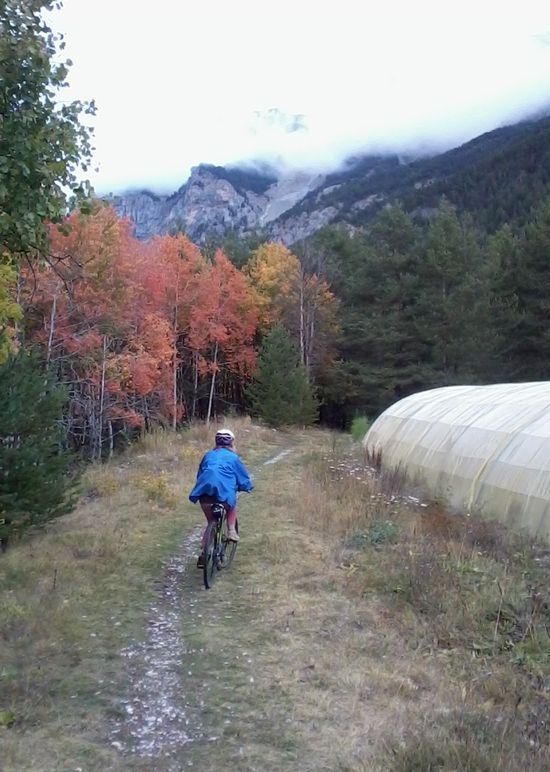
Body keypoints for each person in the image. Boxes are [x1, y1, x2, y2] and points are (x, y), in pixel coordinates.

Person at [189, 428, 253, 567]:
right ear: (232, 443)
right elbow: (243, 478)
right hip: (224, 496)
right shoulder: (233, 458)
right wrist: (247, 487)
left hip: (204, 495)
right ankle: (231, 530)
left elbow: (200, 475)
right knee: (231, 504)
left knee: (211, 521)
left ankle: (204, 552)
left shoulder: (208, 455)